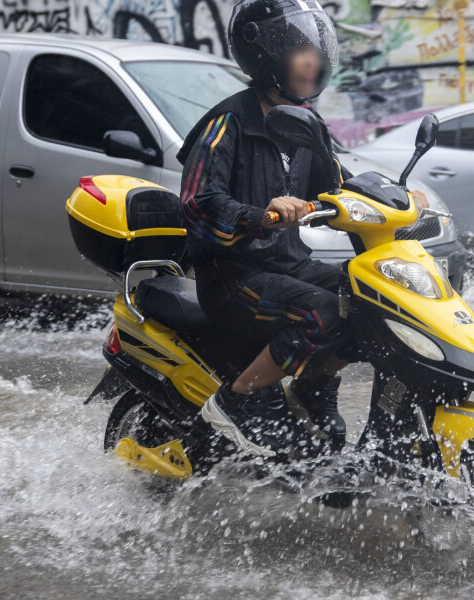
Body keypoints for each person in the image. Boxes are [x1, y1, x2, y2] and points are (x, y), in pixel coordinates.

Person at [177, 0, 426, 458]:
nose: (313, 60)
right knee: (323, 312)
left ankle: (311, 389)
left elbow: (337, 186)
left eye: (316, 48)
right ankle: (239, 400)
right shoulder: (227, 123)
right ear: (264, 55)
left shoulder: (305, 123)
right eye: (298, 49)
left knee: (373, 300)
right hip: (233, 276)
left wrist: (396, 203)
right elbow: (197, 205)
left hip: (288, 264)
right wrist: (258, 214)